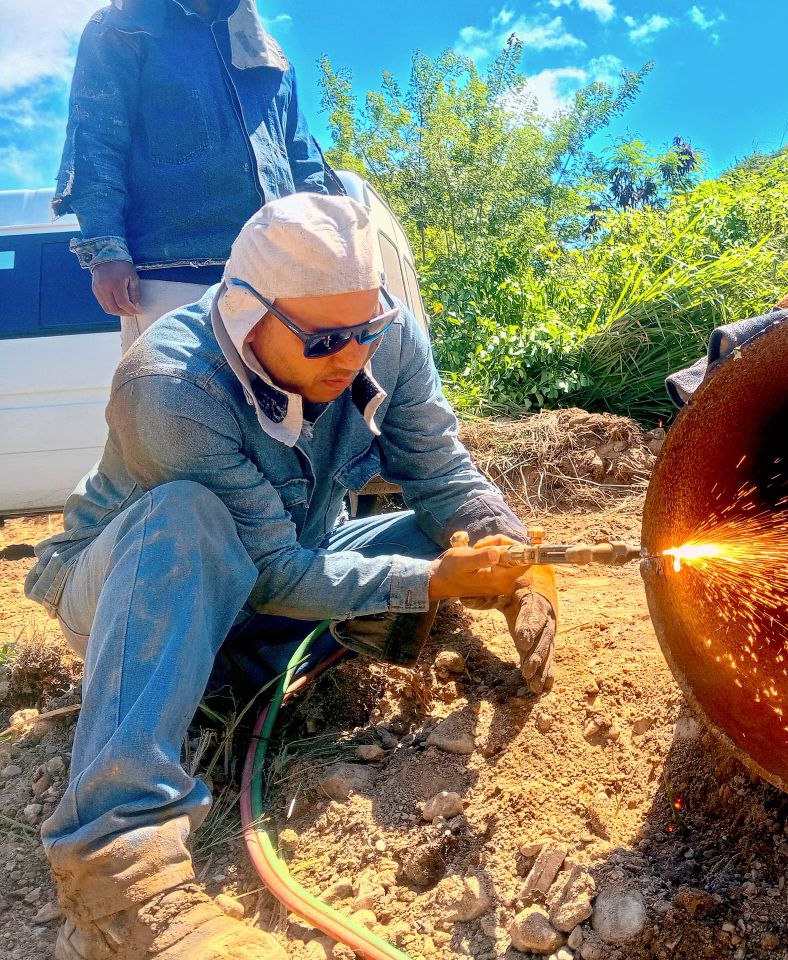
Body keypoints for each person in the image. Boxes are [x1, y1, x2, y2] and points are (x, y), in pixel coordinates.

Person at [24, 193, 557, 960]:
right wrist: (430, 582)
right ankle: (117, 860)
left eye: (366, 330)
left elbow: (442, 474)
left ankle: (249, 674)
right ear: (246, 314)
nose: (352, 357)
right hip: (136, 588)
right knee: (188, 517)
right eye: (326, 339)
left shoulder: (384, 341)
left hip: (273, 569)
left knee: (427, 540)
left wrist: (515, 563)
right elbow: (270, 572)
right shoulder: (170, 387)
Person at [54, 0, 342, 349]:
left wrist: (325, 247)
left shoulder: (268, 51)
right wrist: (107, 251)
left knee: (285, 403)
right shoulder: (121, 27)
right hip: (170, 277)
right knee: (176, 401)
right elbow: (96, 142)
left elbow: (303, 160)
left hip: (281, 277)